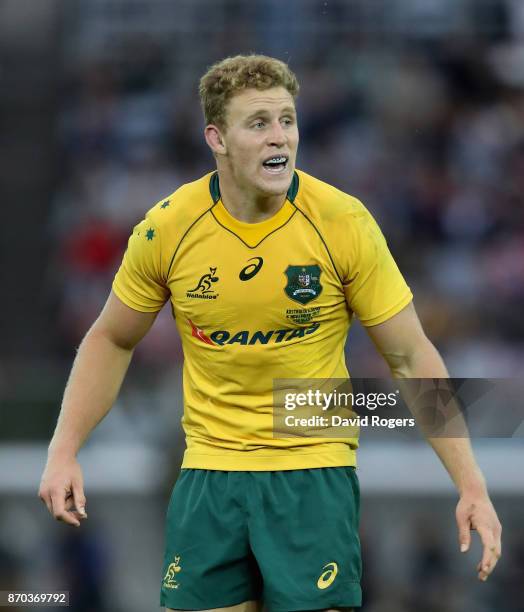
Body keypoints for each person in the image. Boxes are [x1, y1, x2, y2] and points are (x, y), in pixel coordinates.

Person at [39, 55, 502, 612]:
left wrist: (470, 483)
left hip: (309, 472)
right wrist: (64, 451)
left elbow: (408, 353)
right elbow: (111, 338)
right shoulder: (168, 227)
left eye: (287, 119)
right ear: (217, 138)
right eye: (258, 123)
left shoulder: (341, 222)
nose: (279, 136)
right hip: (209, 476)